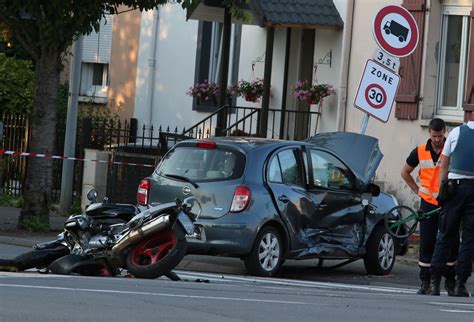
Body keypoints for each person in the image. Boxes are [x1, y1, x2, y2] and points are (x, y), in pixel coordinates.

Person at [401, 118, 458, 295]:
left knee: (452, 242)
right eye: (434, 136)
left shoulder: (452, 150)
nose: (437, 140)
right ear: (429, 134)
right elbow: (405, 172)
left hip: (447, 202)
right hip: (427, 202)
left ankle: (449, 281)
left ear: (445, 133)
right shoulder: (419, 151)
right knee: (426, 242)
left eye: (440, 136)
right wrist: (417, 190)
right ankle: (425, 281)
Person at [429, 113, 474, 297]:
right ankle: (460, 284)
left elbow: (444, 164)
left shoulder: (456, 132)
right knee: (469, 239)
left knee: (445, 235)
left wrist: (442, 191)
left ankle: (434, 283)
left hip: (454, 189)